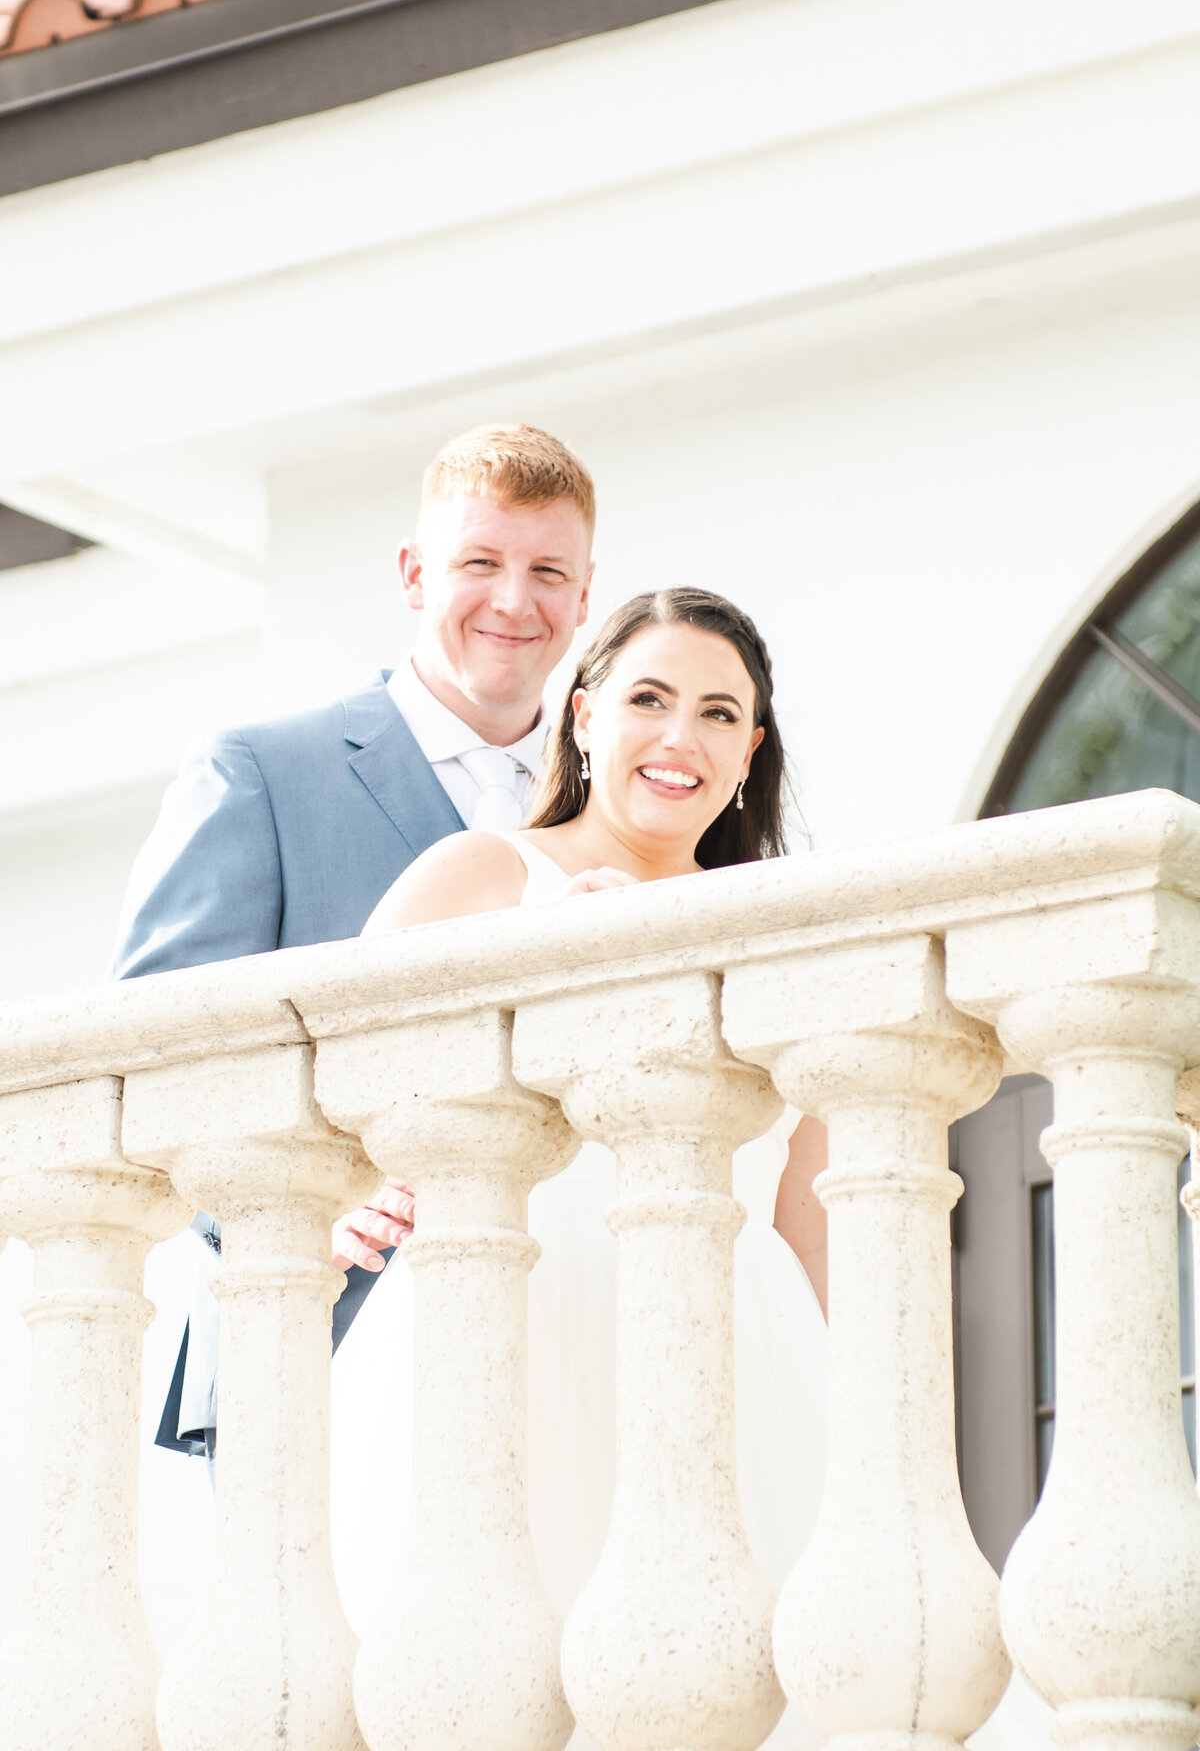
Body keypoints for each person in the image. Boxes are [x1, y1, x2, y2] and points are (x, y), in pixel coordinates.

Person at [329, 587, 830, 1751]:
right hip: (513, 1330)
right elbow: (332, 1091)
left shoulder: (793, 926)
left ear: (750, 752)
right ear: (585, 714)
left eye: (718, 714)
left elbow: (807, 1222)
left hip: (745, 1365)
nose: (679, 738)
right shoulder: (484, 878)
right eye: (648, 699)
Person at [112, 422, 597, 1454]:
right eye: (481, 563)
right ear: (416, 574)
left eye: (548, 571)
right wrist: (290, 1212)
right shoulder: (259, 772)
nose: (516, 602)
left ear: (586, 596)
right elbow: (159, 1057)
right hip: (317, 1333)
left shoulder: (620, 799)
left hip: (571, 1348)